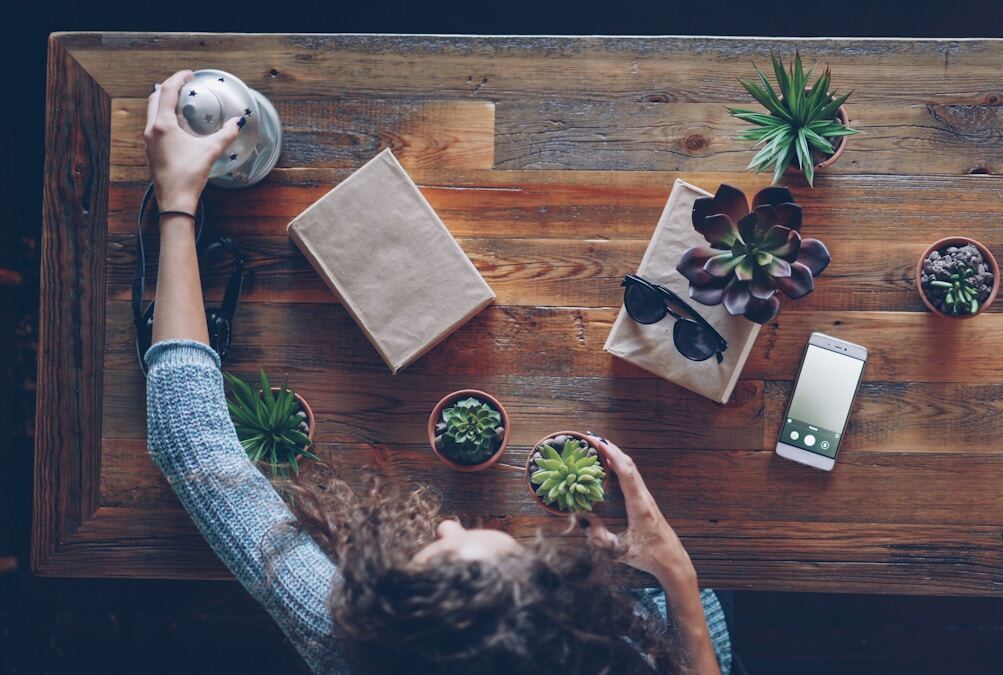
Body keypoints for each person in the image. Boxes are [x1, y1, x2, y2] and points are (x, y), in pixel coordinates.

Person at [142, 70, 732, 674]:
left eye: (437, 552)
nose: (447, 525)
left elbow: (191, 444)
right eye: (509, 558)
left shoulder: (351, 640)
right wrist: (678, 579)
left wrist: (176, 206)